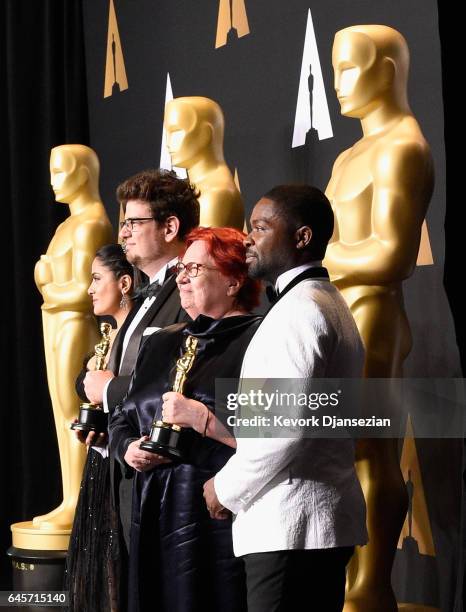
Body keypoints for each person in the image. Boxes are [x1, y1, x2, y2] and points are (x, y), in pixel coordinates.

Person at [203, 185, 368, 612]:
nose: (247, 239)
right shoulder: (325, 303)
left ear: (302, 237)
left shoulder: (300, 310)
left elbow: (280, 432)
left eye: (260, 227)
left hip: (291, 529)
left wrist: (225, 486)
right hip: (310, 526)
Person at [323, 25, 434, 611]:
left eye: (349, 68)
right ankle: (353, 579)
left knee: (370, 448)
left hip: (373, 313)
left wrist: (316, 257)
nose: (339, 83)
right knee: (341, 449)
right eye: (335, 69)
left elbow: (391, 254)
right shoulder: (348, 156)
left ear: (386, 71)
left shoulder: (402, 146)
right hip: (335, 314)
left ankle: (372, 585)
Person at [109, 227, 262, 612]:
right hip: (150, 515)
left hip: (214, 521)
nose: (181, 277)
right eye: (182, 269)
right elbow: (122, 417)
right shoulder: (161, 341)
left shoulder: (260, 340)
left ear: (232, 280)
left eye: (194, 268)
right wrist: (127, 448)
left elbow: (280, 438)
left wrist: (203, 419)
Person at [82, 168, 200, 551]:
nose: (123, 233)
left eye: (133, 222)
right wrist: (110, 438)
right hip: (132, 477)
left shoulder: (190, 291)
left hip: (171, 486)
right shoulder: (145, 298)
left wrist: (110, 389)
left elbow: (186, 380)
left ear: (169, 228)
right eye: (124, 223)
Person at [32, 144, 113, 532]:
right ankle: (71, 496)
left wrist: (46, 282)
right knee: (60, 410)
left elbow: (86, 292)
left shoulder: (92, 223)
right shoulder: (69, 224)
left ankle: (81, 498)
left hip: (75, 322)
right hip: (56, 320)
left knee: (73, 409)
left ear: (83, 172)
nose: (53, 181)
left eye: (60, 171)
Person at [65, 243, 135, 612]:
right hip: (99, 466)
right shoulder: (106, 339)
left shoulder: (137, 339)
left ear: (124, 283)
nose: (89, 289)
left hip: (121, 471)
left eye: (96, 279)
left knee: (115, 568)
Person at [164, 96, 245, 229]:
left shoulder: (216, 194)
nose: (168, 143)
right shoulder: (198, 189)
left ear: (205, 133)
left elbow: (200, 250)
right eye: (167, 133)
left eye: (176, 132)